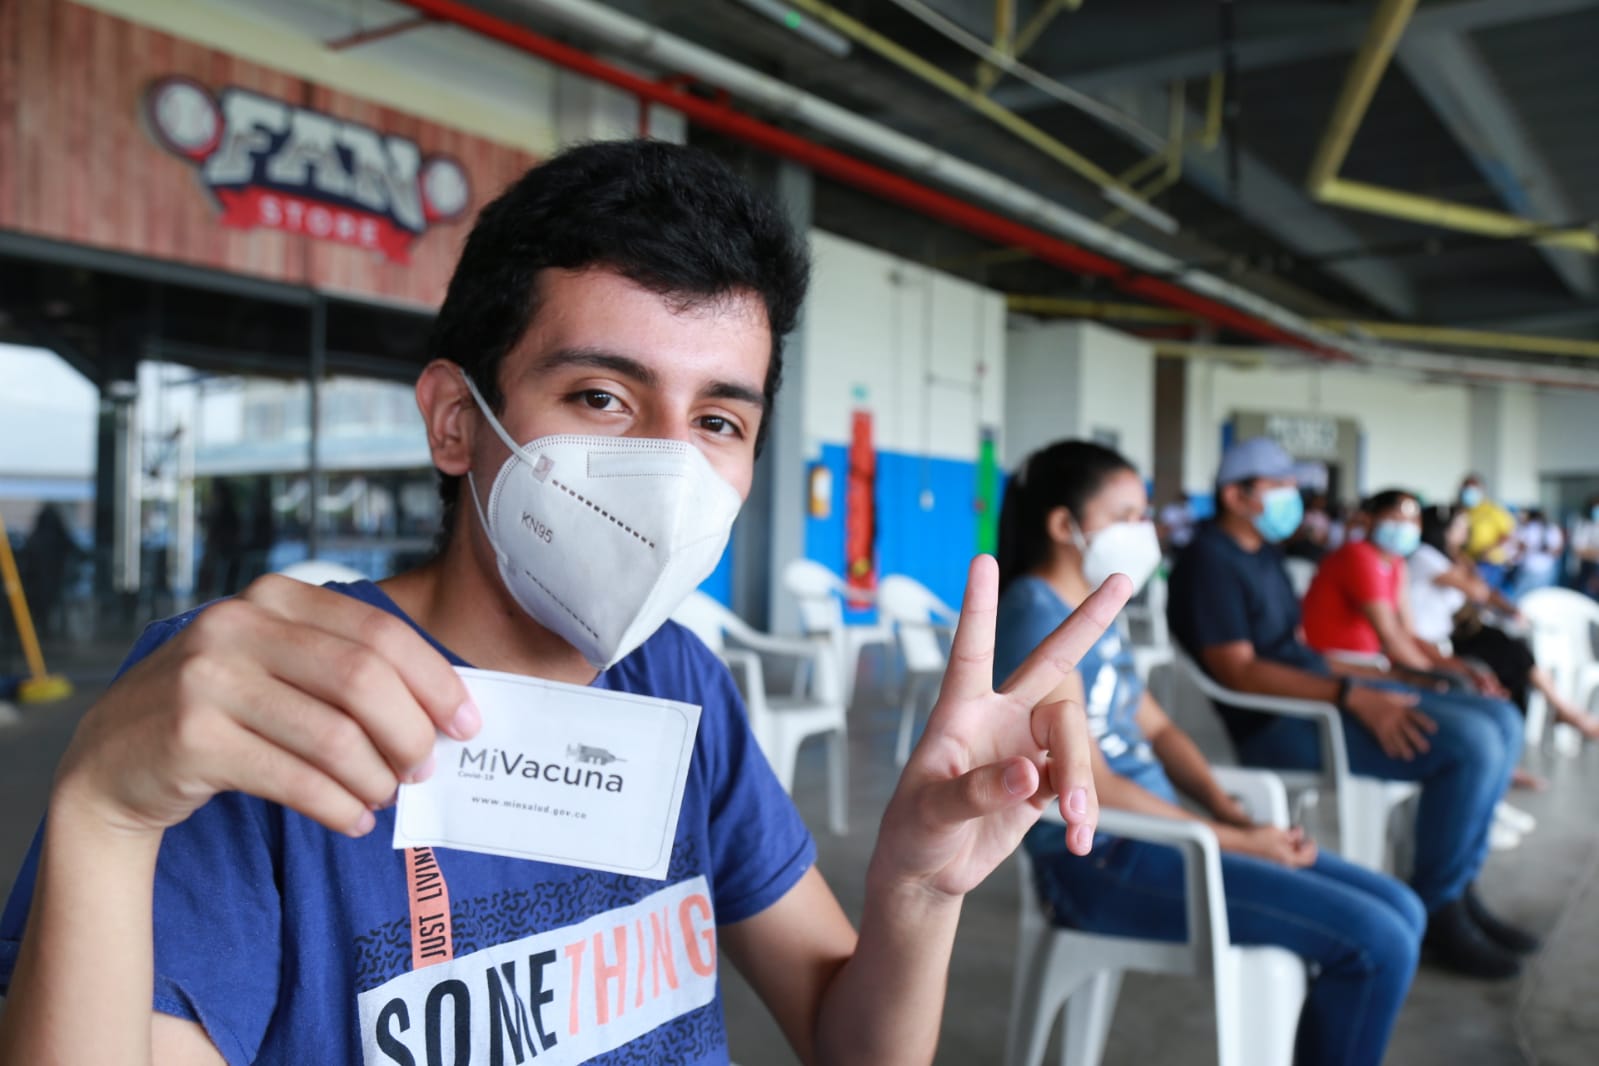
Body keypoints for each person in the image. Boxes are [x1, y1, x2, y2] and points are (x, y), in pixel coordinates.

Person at [0, 141, 1124, 1066]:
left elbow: (846, 1038)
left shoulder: (676, 682)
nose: (669, 468)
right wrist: (106, 812)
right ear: (455, 421)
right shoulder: (263, 704)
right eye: (601, 395)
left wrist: (917, 890)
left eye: (720, 421)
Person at [995, 441, 1422, 1066]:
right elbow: (1095, 786)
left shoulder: (1091, 607)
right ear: (1064, 526)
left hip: (1163, 842)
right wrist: (1236, 841)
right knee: (1376, 940)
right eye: (1127, 516)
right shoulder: (1037, 617)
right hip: (1102, 862)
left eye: (1146, 513)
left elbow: (1161, 731)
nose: (1148, 532)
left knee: (1402, 908)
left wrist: (1233, 815)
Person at [1166, 438, 1532, 979]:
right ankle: (1438, 909)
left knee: (1498, 717)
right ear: (1235, 496)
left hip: (1317, 695)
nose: (1294, 496)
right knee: (1471, 745)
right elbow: (1238, 672)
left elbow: (1300, 653)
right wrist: (1351, 695)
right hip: (1278, 723)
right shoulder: (1208, 562)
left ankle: (1459, 886)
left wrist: (1396, 675)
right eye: (1279, 486)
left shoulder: (1262, 553)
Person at [1412, 505, 1599, 740]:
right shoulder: (1425, 558)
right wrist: (1473, 563)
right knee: (1505, 658)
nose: (1465, 531)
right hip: (1436, 639)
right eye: (1460, 526)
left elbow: (1485, 591)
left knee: (1515, 651)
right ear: (1442, 529)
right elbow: (1478, 591)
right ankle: (1561, 710)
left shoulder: (1452, 558)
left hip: (1455, 632)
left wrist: (1512, 609)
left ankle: (1557, 710)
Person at [1303, 490, 1505, 695]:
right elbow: (1390, 636)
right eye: (1394, 518)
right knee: (1460, 689)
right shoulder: (1358, 555)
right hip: (1343, 667)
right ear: (1368, 519)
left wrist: (1458, 667)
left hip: (1374, 664)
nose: (1404, 527)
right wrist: (1435, 674)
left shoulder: (1396, 563)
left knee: (1472, 676)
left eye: (1412, 520)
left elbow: (1407, 633)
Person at [1459, 475, 1517, 592]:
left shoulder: (1493, 510)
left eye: (1472, 489)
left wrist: (1490, 549)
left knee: (1485, 594)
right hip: (1467, 561)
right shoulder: (1462, 510)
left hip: (1489, 562)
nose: (1468, 492)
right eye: (1466, 488)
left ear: (1481, 490)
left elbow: (1507, 533)